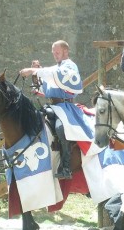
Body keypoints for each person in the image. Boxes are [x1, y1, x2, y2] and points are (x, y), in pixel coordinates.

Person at [20, 40, 83, 180]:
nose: (55, 55)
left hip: (66, 107)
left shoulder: (70, 66)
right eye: (53, 52)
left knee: (61, 128)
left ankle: (66, 167)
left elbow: (57, 74)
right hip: (52, 106)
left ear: (65, 51)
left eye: (57, 52)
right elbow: (44, 88)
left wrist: (34, 70)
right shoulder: (55, 69)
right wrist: (36, 76)